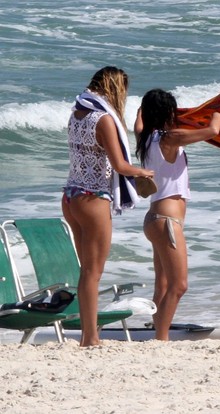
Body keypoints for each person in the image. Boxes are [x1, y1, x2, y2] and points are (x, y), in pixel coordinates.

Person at [62, 66, 154, 347]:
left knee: (87, 271)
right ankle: (90, 338)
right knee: (93, 272)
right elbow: (119, 165)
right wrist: (144, 173)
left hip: (71, 195)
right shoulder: (102, 119)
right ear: (114, 88)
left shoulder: (77, 113)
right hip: (93, 197)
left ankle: (90, 335)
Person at [134, 88, 220, 341]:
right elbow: (212, 131)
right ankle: (161, 339)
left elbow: (138, 123)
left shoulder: (145, 138)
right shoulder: (169, 138)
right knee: (179, 285)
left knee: (162, 285)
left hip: (154, 220)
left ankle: (157, 332)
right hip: (167, 222)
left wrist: (144, 108)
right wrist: (217, 113)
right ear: (168, 113)